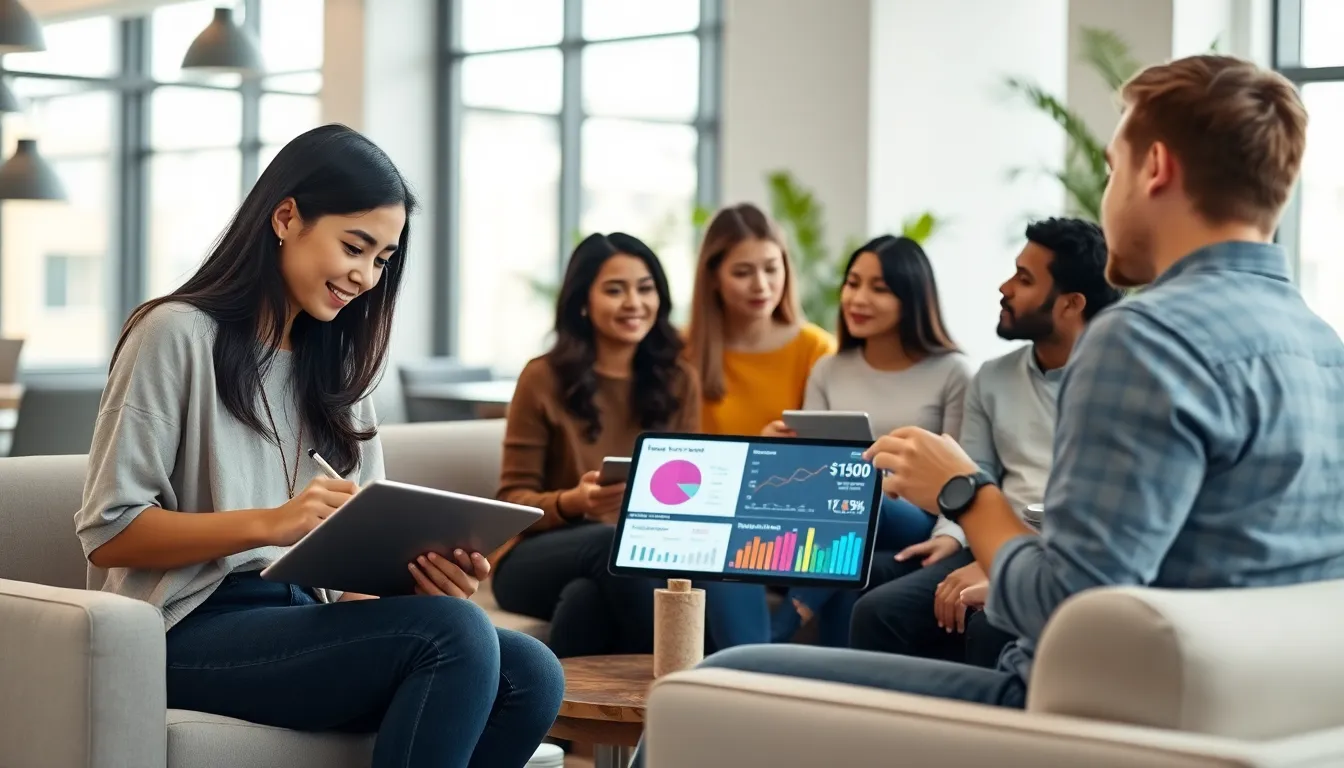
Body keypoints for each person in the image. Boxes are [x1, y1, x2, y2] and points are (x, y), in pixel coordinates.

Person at [634, 55, 1344, 764]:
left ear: (1154, 168)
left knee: (710, 686)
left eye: (1112, 168)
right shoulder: (1320, 346)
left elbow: (1069, 610)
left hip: (1061, 717)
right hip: (1226, 730)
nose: (1108, 194)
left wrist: (963, 489)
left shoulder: (1142, 338)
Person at [74, 124, 564, 768]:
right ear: (286, 218)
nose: (365, 276)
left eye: (383, 259)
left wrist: (419, 583)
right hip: (185, 627)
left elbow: (354, 585)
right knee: (457, 639)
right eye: (354, 247)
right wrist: (271, 524)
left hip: (302, 619)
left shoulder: (339, 370)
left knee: (531, 671)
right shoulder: (175, 333)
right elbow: (108, 532)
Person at [850, 217, 1122, 668]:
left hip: (1054, 555)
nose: (1005, 287)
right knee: (877, 613)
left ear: (1071, 304)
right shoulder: (993, 377)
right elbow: (974, 472)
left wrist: (1003, 566)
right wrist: (954, 538)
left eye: (1024, 279)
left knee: (990, 624)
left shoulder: (1119, 384)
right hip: (986, 537)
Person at [491, 232, 700, 659]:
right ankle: (687, 696)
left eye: (645, 289)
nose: (633, 303)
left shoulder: (680, 381)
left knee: (587, 600)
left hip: (639, 555)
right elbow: (511, 502)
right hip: (535, 557)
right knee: (613, 545)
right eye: (614, 290)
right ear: (583, 302)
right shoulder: (542, 378)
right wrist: (574, 502)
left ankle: (568, 718)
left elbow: (689, 496)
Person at [762, 235, 971, 646]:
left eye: (879, 288)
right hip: (839, 520)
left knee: (863, 487)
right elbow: (810, 465)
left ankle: (772, 634)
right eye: (853, 283)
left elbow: (965, 472)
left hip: (916, 517)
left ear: (912, 299)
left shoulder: (953, 373)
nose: (858, 298)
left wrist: (951, 536)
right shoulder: (828, 370)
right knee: (853, 562)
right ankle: (843, 691)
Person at [683, 202, 837, 649]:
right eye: (743, 272)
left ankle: (767, 645)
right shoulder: (684, 352)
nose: (762, 285)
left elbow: (825, 466)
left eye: (772, 269)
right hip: (710, 516)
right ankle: (750, 668)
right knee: (721, 544)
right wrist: (754, 452)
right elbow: (678, 459)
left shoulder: (816, 349)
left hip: (791, 516)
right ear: (713, 275)